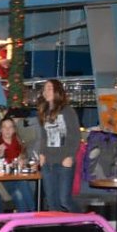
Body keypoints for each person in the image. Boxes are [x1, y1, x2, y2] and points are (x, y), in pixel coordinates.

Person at [37, 79, 80, 212]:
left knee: (64, 200)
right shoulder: (44, 111)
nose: (46, 91)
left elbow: (75, 135)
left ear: (57, 91)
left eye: (49, 88)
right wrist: (41, 153)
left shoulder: (67, 111)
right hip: (48, 162)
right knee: (51, 201)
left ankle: (86, 223)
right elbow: (44, 136)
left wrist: (70, 156)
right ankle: (57, 229)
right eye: (45, 89)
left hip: (64, 161)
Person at [0, 117, 35, 212]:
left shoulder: (19, 142)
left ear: (14, 129)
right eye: (4, 127)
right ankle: (35, 212)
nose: (7, 130)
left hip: (18, 177)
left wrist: (25, 163)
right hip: (3, 181)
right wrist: (0, 154)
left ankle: (24, 223)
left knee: (18, 194)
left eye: (10, 127)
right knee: (23, 182)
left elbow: (26, 161)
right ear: (0, 130)